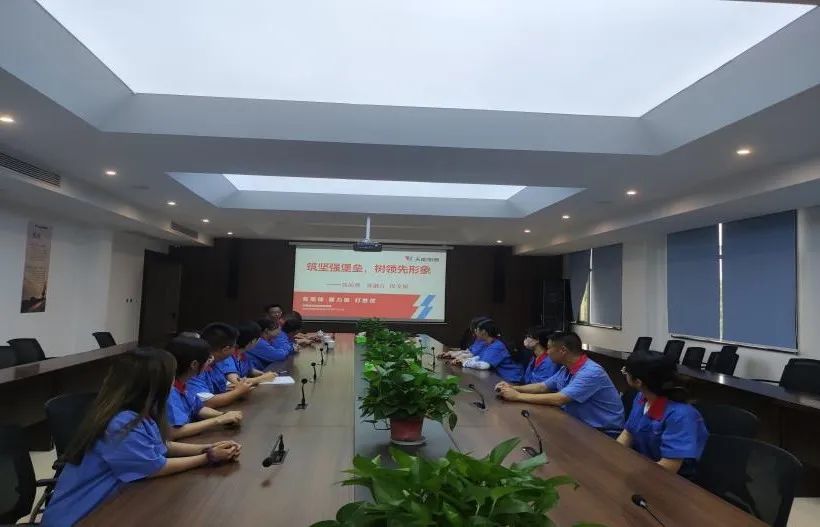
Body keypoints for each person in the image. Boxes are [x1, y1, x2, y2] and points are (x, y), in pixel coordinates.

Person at [41, 348, 241, 527]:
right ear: (153, 384)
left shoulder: (137, 413)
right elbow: (155, 467)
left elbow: (160, 446)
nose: (173, 382)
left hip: (112, 503)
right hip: (81, 516)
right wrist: (207, 457)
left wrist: (207, 447)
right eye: (171, 377)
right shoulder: (122, 422)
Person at [496, 331, 624, 436]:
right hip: (578, 424)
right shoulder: (566, 368)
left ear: (562, 350)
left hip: (603, 432)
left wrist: (517, 396)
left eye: (549, 348)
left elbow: (560, 399)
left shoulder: (591, 372)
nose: (547, 352)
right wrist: (513, 388)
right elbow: (542, 386)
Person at [616, 351, 708, 477]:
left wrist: (632, 474)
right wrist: (613, 457)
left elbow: (669, 467)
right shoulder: (641, 398)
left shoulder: (681, 415)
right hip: (644, 467)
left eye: (625, 372)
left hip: (671, 480)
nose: (624, 374)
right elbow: (628, 433)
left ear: (638, 382)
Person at [165, 336, 243, 439]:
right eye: (207, 359)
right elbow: (174, 432)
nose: (210, 361)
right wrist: (217, 420)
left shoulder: (183, 383)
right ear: (194, 364)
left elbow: (197, 408)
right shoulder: (169, 391)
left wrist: (222, 415)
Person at [188, 322, 254, 408]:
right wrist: (238, 392)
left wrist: (239, 387)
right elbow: (207, 402)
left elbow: (224, 386)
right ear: (226, 349)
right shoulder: (196, 367)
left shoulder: (217, 363)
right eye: (234, 346)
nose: (235, 349)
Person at [454, 320, 523, 383]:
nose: (475, 332)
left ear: (483, 332)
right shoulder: (487, 343)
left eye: (477, 330)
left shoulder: (497, 345)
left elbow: (484, 365)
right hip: (499, 378)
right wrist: (463, 360)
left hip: (511, 380)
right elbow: (478, 357)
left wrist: (465, 362)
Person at [215, 321, 277, 386]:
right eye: (259, 339)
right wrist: (261, 378)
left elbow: (249, 370)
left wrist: (263, 374)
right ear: (253, 341)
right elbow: (236, 381)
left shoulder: (242, 354)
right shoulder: (228, 357)